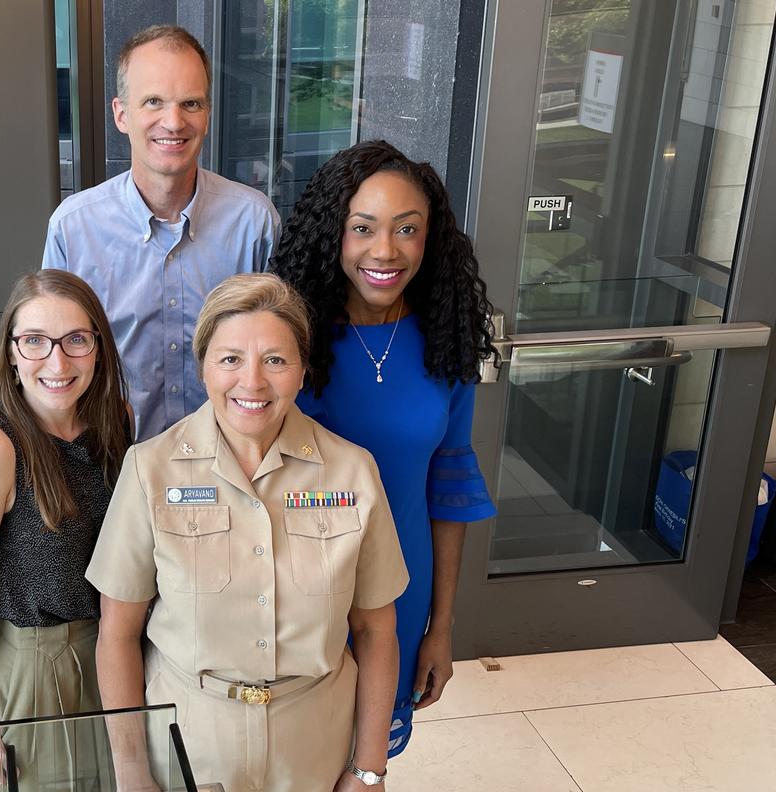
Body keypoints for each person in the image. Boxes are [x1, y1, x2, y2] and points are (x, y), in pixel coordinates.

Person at [88, 273, 409, 792]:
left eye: (276, 360)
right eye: (230, 358)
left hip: (315, 742)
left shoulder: (352, 472)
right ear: (203, 369)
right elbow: (117, 634)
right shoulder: (151, 468)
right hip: (190, 740)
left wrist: (369, 769)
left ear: (303, 370)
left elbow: (377, 632)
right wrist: (131, 770)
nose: (253, 382)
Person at [269, 140, 497, 759]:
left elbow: (447, 495)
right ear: (332, 234)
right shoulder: (289, 338)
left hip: (400, 588)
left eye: (407, 230)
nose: (385, 251)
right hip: (288, 591)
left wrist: (440, 629)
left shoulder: (445, 342)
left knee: (365, 764)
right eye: (362, 228)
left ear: (432, 240)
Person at [0, 270, 131, 790]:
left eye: (76, 340)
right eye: (35, 342)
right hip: (37, 667)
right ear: (12, 354)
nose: (58, 362)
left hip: (117, 652)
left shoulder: (116, 424)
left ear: (99, 347)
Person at [43, 24, 279, 441]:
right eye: (153, 101)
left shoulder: (254, 223)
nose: (173, 121)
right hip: (111, 471)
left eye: (191, 103)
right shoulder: (74, 229)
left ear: (207, 114)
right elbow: (49, 364)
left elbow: (278, 353)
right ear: (121, 114)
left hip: (230, 464)